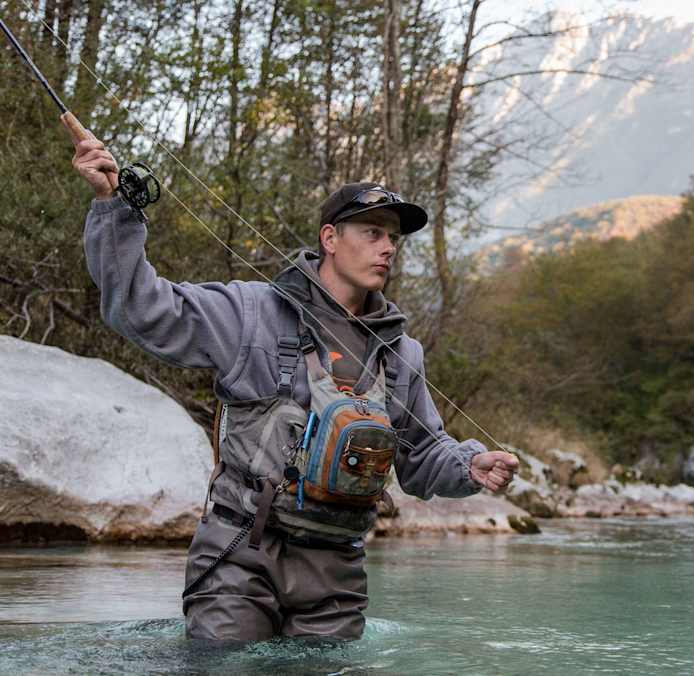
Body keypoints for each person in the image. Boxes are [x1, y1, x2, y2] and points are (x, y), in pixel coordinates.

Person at [70, 127, 519, 641]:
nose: (387, 247)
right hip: (240, 553)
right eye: (372, 232)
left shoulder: (402, 353)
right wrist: (115, 208)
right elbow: (140, 308)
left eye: (393, 237)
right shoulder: (250, 312)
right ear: (330, 238)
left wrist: (469, 465)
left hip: (337, 573)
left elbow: (420, 459)